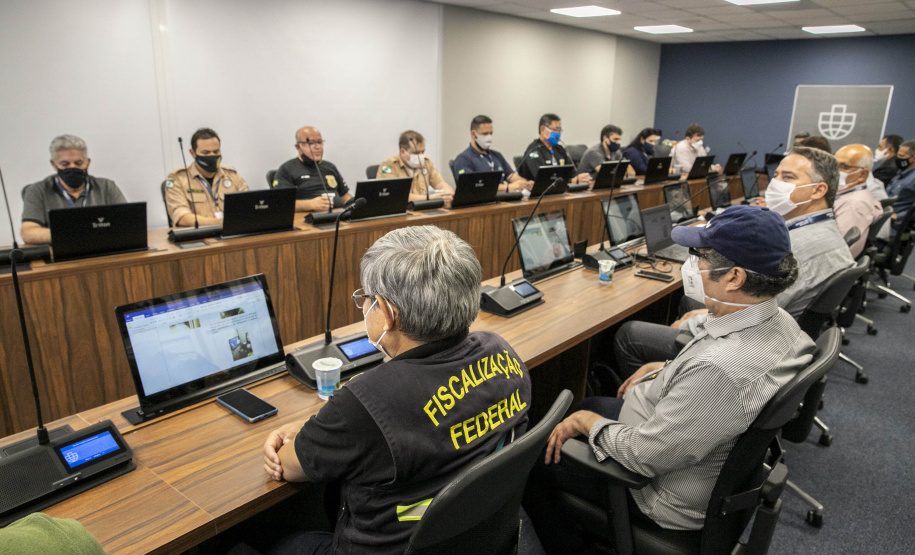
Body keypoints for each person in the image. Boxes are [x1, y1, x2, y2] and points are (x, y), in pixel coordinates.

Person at [526, 206, 814, 549]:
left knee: (534, 461)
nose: (694, 265)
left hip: (654, 494)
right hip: (683, 444)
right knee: (590, 403)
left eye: (701, 256)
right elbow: (712, 382)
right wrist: (668, 369)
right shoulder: (778, 321)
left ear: (735, 277)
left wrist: (589, 424)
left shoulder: (719, 371)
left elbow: (645, 457)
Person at [261, 225, 531, 555]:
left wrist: (308, 433)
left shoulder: (365, 403)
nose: (365, 307)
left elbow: (287, 465)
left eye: (368, 300)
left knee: (261, 541)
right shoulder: (501, 350)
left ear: (387, 314)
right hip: (474, 538)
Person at [611, 147, 853, 379]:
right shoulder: (823, 232)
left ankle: (642, 393)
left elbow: (757, 306)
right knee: (689, 299)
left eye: (787, 177)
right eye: (776, 174)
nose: (775, 182)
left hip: (749, 347)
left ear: (818, 190)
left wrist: (693, 328)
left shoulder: (803, 245)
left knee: (630, 334)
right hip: (772, 341)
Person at [20, 134, 127, 245]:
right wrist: (75, 234)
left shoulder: (106, 186)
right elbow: (28, 232)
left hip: (103, 250)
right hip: (62, 255)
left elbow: (128, 222)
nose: (72, 167)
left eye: (78, 163)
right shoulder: (37, 191)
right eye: (65, 164)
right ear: (53, 164)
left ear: (88, 162)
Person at [164, 128, 249, 227]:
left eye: (216, 152)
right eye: (206, 153)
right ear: (192, 153)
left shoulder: (232, 176)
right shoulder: (178, 178)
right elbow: (182, 218)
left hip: (232, 235)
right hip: (198, 237)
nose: (212, 156)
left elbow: (249, 208)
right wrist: (222, 223)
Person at [273, 126, 352, 212]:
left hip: (338, 216)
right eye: (311, 143)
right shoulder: (287, 169)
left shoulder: (330, 167)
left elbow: (345, 197)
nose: (317, 147)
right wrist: (309, 204)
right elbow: (280, 203)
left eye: (319, 142)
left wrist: (355, 203)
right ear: (298, 147)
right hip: (307, 220)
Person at [452, 115, 532, 192]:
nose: (489, 137)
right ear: (473, 134)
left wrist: (526, 183)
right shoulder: (463, 159)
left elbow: (512, 177)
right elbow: (473, 186)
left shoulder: (496, 155)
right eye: (485, 134)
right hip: (481, 203)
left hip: (502, 201)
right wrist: (507, 187)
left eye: (491, 133)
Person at [377, 130, 454, 206]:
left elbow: (439, 183)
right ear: (403, 152)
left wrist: (449, 194)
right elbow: (396, 196)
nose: (421, 156)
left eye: (423, 152)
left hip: (421, 210)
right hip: (400, 212)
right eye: (416, 153)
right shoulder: (388, 166)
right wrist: (430, 198)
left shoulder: (426, 162)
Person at [834, 144, 884, 257]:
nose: (834, 171)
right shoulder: (847, 194)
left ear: (862, 174)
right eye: (834, 164)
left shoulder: (854, 205)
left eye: (844, 166)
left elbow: (838, 251)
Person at [517, 114, 591, 184]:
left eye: (559, 130)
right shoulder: (533, 151)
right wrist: (571, 181)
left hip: (562, 191)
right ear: (542, 129)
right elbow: (543, 181)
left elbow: (572, 172)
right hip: (539, 194)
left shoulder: (560, 149)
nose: (558, 133)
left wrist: (581, 178)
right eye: (555, 130)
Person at [886, 140, 915, 234]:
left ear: (913, 158)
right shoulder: (900, 174)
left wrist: (898, 216)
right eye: (897, 155)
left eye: (901, 156)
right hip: (885, 221)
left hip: (895, 228)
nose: (898, 159)